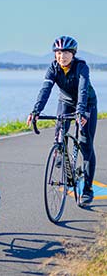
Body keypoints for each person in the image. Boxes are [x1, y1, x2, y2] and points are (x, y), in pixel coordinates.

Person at [27, 35, 98, 205]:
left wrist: (80, 112)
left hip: (87, 104)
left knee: (85, 144)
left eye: (66, 52)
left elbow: (82, 90)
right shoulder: (53, 68)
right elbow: (45, 89)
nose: (62, 56)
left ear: (73, 54)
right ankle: (60, 151)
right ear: (54, 55)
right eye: (58, 53)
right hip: (65, 101)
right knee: (59, 133)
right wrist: (36, 110)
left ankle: (88, 190)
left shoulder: (81, 67)